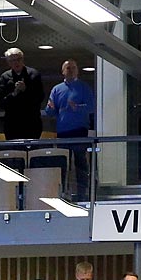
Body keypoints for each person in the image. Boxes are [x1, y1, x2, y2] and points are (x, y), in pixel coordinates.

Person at [43, 59, 95, 199]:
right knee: (62, 164)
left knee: (80, 164)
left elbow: (91, 108)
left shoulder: (84, 87)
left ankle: (82, 194)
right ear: (62, 71)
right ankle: (62, 193)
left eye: (73, 68)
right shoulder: (57, 89)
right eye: (67, 68)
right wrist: (50, 108)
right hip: (63, 132)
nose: (70, 70)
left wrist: (77, 108)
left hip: (79, 131)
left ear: (77, 70)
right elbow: (50, 112)